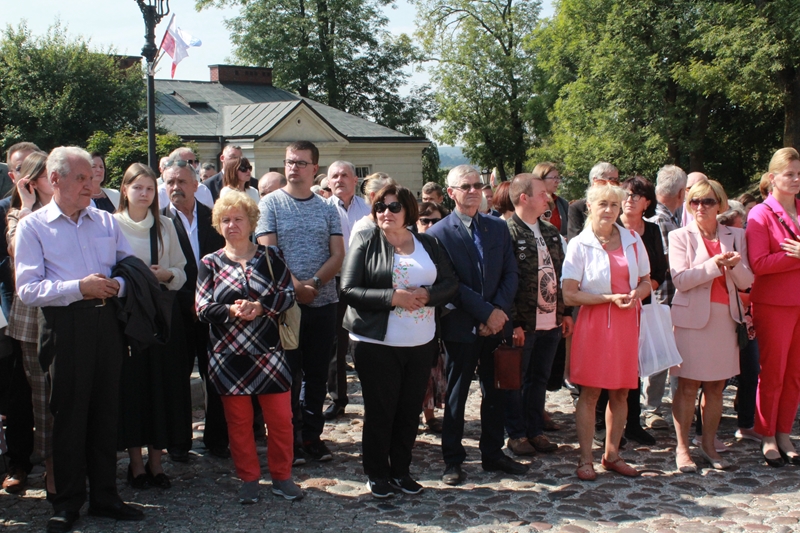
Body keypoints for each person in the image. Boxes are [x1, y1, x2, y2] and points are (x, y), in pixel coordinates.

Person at [15, 146, 143, 532]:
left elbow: (129, 269)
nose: (91, 184)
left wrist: (117, 286)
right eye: (82, 178)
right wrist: (79, 288)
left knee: (106, 412)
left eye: (92, 177)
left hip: (107, 324)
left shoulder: (105, 221)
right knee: (69, 416)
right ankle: (68, 502)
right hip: (65, 326)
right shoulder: (34, 226)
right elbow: (28, 289)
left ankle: (105, 496)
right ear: (55, 179)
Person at [340, 184, 457, 498]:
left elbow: (450, 283)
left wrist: (428, 294)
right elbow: (348, 290)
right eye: (380, 207)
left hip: (420, 342)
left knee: (408, 411)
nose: (385, 213)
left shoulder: (428, 242)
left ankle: (401, 471)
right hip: (376, 343)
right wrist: (394, 298)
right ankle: (377, 473)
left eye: (393, 207)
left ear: (408, 210)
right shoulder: (365, 240)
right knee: (381, 411)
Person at [196, 191, 303, 504]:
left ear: (251, 222)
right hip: (228, 358)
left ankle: (282, 477)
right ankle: (248, 479)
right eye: (225, 220)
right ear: (218, 225)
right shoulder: (210, 263)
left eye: (238, 219)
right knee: (239, 423)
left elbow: (288, 295)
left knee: (281, 420)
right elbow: (202, 308)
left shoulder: (271, 256)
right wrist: (231, 310)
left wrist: (260, 307)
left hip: (269, 354)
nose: (232, 225)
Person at [427, 165, 526, 486]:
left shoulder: (497, 227)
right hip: (462, 326)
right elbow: (450, 283)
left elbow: (511, 273)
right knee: (457, 395)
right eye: (465, 186)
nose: (473, 191)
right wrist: (485, 314)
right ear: (451, 192)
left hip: (497, 326)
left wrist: (496, 313)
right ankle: (453, 460)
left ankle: (493, 453)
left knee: (496, 392)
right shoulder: (438, 234)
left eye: (477, 185)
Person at [255, 141, 345, 464]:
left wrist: (316, 284)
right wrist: (296, 288)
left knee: (317, 374)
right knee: (288, 375)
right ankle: (288, 438)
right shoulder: (271, 204)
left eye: (301, 163)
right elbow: (268, 252)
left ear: (314, 169)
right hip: (285, 306)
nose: (293, 167)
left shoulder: (327, 208)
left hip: (323, 302)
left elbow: (338, 254)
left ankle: (311, 435)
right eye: (289, 162)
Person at [562, 183, 651, 481]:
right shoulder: (580, 244)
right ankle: (585, 458)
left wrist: (637, 293)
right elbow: (569, 294)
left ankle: (612, 455)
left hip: (626, 322)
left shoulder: (633, 239)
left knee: (622, 391)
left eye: (614, 205)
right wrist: (608, 299)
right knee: (590, 392)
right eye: (603, 204)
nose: (609, 210)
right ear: (589, 206)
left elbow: (647, 280)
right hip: (595, 324)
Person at [113, 163, 191, 490]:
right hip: (127, 318)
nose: (144, 194)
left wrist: (165, 274)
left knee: (162, 388)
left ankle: (156, 462)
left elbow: (182, 269)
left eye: (149, 188)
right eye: (137, 187)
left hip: (160, 316)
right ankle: (135, 464)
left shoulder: (165, 225)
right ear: (125, 190)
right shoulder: (111, 225)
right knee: (133, 390)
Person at [670, 179, 753, 472]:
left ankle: (708, 444)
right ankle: (682, 448)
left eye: (707, 201)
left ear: (720, 204)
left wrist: (734, 265)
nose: (700, 207)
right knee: (688, 385)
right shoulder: (679, 235)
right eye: (694, 201)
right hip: (692, 320)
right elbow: (680, 280)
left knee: (717, 386)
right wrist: (714, 264)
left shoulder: (737, 235)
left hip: (725, 318)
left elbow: (747, 281)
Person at [161, 156, 229, 461]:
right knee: (177, 378)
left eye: (181, 181)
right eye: (170, 182)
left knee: (215, 375)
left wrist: (208, 300)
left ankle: (217, 439)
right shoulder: (160, 222)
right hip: (176, 310)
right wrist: (189, 299)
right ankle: (178, 442)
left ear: (195, 185)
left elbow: (226, 259)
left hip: (213, 309)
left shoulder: (214, 218)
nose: (175, 187)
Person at [504, 174, 573, 457]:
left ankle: (535, 429)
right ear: (524, 198)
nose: (548, 198)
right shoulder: (507, 232)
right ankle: (516, 433)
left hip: (551, 321)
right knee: (515, 380)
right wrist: (514, 322)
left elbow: (561, 273)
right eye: (542, 193)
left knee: (539, 379)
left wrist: (565, 312)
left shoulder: (550, 231)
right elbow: (504, 282)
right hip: (524, 323)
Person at [746, 147, 800, 467]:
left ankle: (784, 433)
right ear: (772, 178)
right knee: (773, 373)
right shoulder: (760, 214)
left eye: (799, 174)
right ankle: (766, 433)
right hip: (773, 304)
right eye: (789, 174)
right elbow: (759, 263)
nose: (795, 179)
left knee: (795, 375)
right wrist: (795, 257)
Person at [5, 151, 55, 496]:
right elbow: (15, 250)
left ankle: (68, 464)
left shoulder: (73, 209)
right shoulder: (17, 214)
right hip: (31, 318)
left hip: (69, 313)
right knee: (41, 399)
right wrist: (25, 206)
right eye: (48, 175)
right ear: (32, 182)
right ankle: (51, 468)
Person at [613, 176, 668, 445]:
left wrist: (643, 291)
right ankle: (604, 425)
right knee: (612, 365)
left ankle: (633, 424)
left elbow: (660, 271)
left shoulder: (653, 231)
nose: (629, 200)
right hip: (612, 304)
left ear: (647, 203)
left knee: (634, 366)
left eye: (636, 195)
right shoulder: (611, 227)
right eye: (626, 194)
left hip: (641, 305)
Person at [0, 141, 40, 496]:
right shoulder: (9, 210)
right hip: (17, 310)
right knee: (18, 393)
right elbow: (10, 255)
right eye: (21, 169)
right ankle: (19, 462)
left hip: (56, 311)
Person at [324, 161, 371, 420]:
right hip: (335, 282)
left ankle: (374, 396)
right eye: (334, 176)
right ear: (328, 181)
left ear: (355, 180)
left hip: (366, 283)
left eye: (344, 175)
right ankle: (338, 399)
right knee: (336, 345)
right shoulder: (322, 209)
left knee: (368, 342)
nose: (339, 180)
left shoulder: (369, 209)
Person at [414, 201, 450, 432]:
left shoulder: (444, 247)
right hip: (410, 313)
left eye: (434, 221)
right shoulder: (409, 245)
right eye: (424, 220)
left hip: (438, 313)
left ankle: (429, 413)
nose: (429, 225)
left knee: (433, 366)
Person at [567, 162, 619, 240]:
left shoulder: (618, 204)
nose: (614, 185)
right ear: (596, 181)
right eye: (611, 180)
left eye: (616, 180)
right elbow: (574, 238)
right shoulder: (577, 207)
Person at [349, 173, 395, 244]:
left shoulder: (393, 223)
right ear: (373, 196)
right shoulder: (363, 228)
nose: (394, 198)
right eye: (388, 194)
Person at [533, 162, 569, 237]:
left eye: (558, 178)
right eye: (554, 177)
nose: (557, 181)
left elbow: (569, 230)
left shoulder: (563, 204)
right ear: (541, 179)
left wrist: (564, 238)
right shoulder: (530, 203)